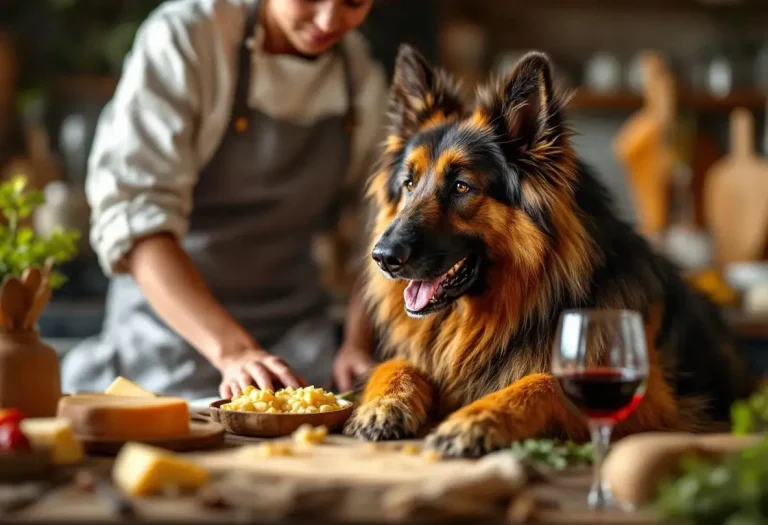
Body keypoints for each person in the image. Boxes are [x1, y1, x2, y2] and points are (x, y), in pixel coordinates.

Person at [61, 0, 387, 401]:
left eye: (353, 2)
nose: (329, 20)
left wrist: (357, 344)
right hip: (164, 349)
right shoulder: (191, 37)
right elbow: (136, 218)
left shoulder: (358, 74)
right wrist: (236, 352)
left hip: (299, 352)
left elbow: (382, 228)